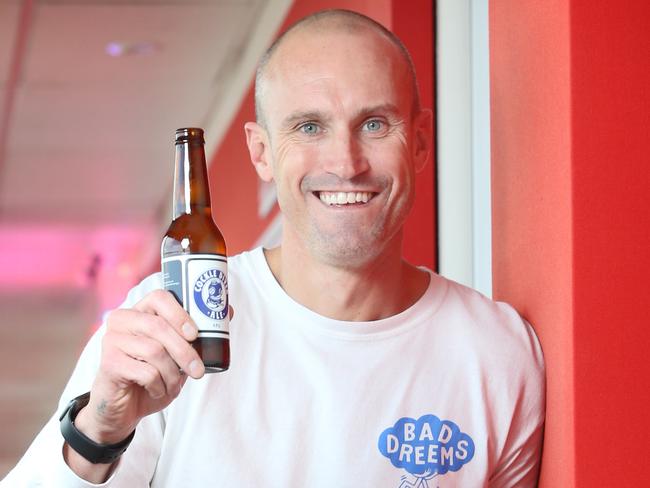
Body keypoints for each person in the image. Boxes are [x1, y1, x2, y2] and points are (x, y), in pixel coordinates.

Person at [1, 9, 545, 487]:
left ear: (421, 143)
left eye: (375, 124)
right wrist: (101, 427)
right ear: (261, 153)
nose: (346, 162)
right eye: (309, 127)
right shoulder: (170, 319)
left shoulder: (497, 353)